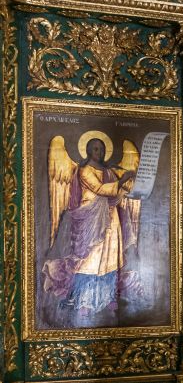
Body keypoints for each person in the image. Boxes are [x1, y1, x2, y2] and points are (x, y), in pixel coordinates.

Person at [42, 137, 139, 323]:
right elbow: (99, 189)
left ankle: (108, 297)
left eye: (102, 149)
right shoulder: (85, 171)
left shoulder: (110, 171)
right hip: (90, 220)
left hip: (112, 219)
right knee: (90, 260)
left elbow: (115, 194)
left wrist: (128, 184)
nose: (99, 152)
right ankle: (85, 301)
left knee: (110, 258)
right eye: (95, 149)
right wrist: (121, 182)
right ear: (88, 151)